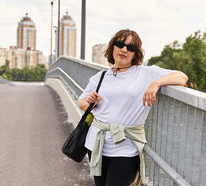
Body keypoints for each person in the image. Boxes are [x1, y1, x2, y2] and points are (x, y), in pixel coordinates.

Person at [78, 29, 188, 186]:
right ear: (112, 47)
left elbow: (182, 77)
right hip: (96, 144)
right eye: (120, 44)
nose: (124, 50)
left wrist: (156, 83)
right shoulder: (100, 77)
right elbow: (81, 103)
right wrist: (91, 103)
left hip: (126, 147)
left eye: (130, 47)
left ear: (136, 54)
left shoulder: (146, 73)